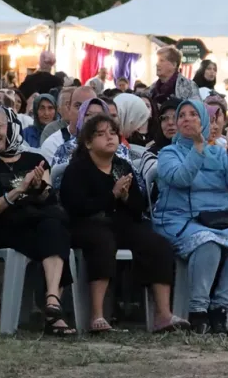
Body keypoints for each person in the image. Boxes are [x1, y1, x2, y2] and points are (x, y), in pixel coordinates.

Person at [63, 112, 185, 334]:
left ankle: (163, 315)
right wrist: (112, 194)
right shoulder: (78, 169)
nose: (109, 137)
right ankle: (97, 315)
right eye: (101, 134)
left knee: (158, 245)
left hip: (120, 225)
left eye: (113, 133)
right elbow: (76, 207)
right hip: (86, 225)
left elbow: (139, 208)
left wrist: (127, 197)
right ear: (88, 143)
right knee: (103, 242)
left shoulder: (122, 166)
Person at [0, 105, 76, 336]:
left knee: (53, 226)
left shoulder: (35, 159)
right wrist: (19, 189)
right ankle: (53, 308)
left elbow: (48, 196)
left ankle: (52, 300)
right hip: (6, 228)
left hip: (39, 223)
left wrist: (37, 187)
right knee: (56, 230)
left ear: (13, 126)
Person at [39, 86, 96, 163]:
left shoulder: (108, 142)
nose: (84, 112)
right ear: (69, 108)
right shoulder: (53, 144)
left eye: (90, 106)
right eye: (78, 106)